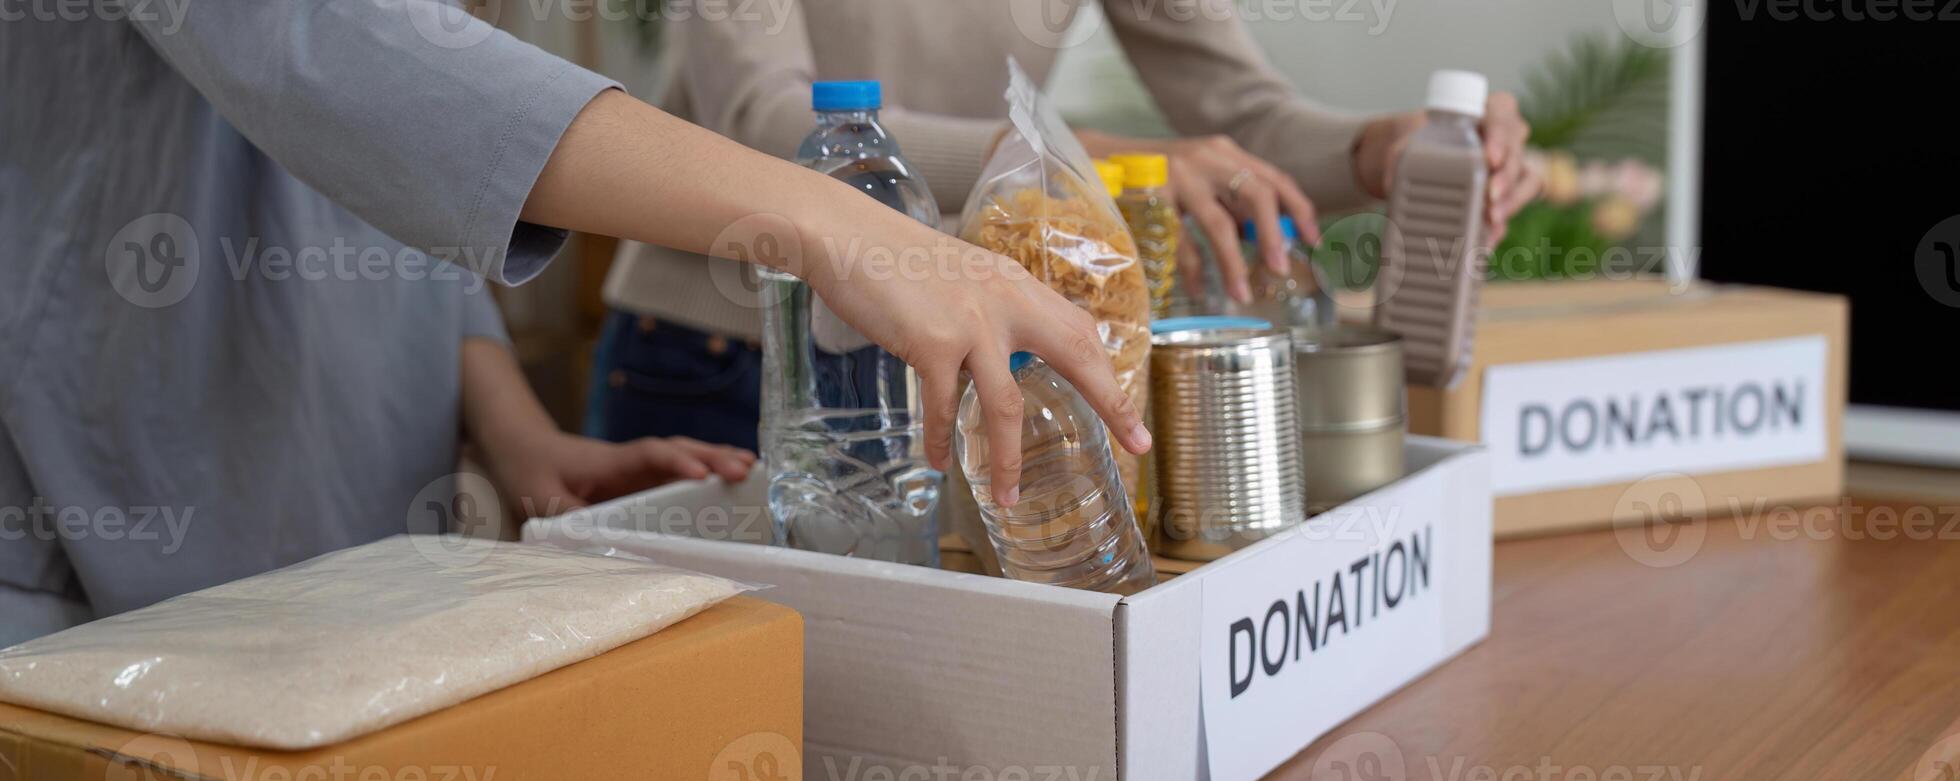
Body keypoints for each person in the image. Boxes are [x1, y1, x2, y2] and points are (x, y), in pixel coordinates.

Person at [0, 1, 1145, 646]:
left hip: (347, 523)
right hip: (97, 529)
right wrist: (831, 222)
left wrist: (512, 430)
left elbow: (387, 172)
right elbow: (328, 51)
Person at [587, 0, 1540, 447]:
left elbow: (1243, 119)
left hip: (957, 348)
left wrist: (1377, 148)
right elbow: (767, 121)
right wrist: (1074, 153)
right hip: (733, 349)